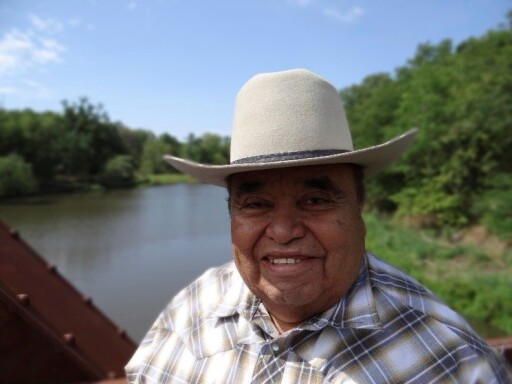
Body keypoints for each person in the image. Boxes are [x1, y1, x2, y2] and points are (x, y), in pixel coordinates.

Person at [125, 69, 510, 383]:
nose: (283, 230)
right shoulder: (188, 311)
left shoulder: (453, 362)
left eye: (315, 200)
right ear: (231, 216)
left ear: (359, 207)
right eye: (255, 204)